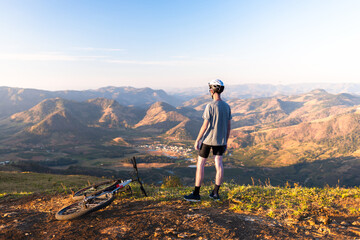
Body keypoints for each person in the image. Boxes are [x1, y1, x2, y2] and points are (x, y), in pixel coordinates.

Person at [184, 79, 232, 202]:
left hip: (208, 139)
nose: (209, 90)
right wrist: (225, 141)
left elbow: (205, 126)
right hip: (221, 141)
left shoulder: (210, 106)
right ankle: (215, 193)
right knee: (219, 165)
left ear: (213, 90)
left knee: (200, 164)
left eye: (210, 88)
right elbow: (228, 127)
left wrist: (198, 139)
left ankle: (196, 194)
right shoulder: (227, 107)